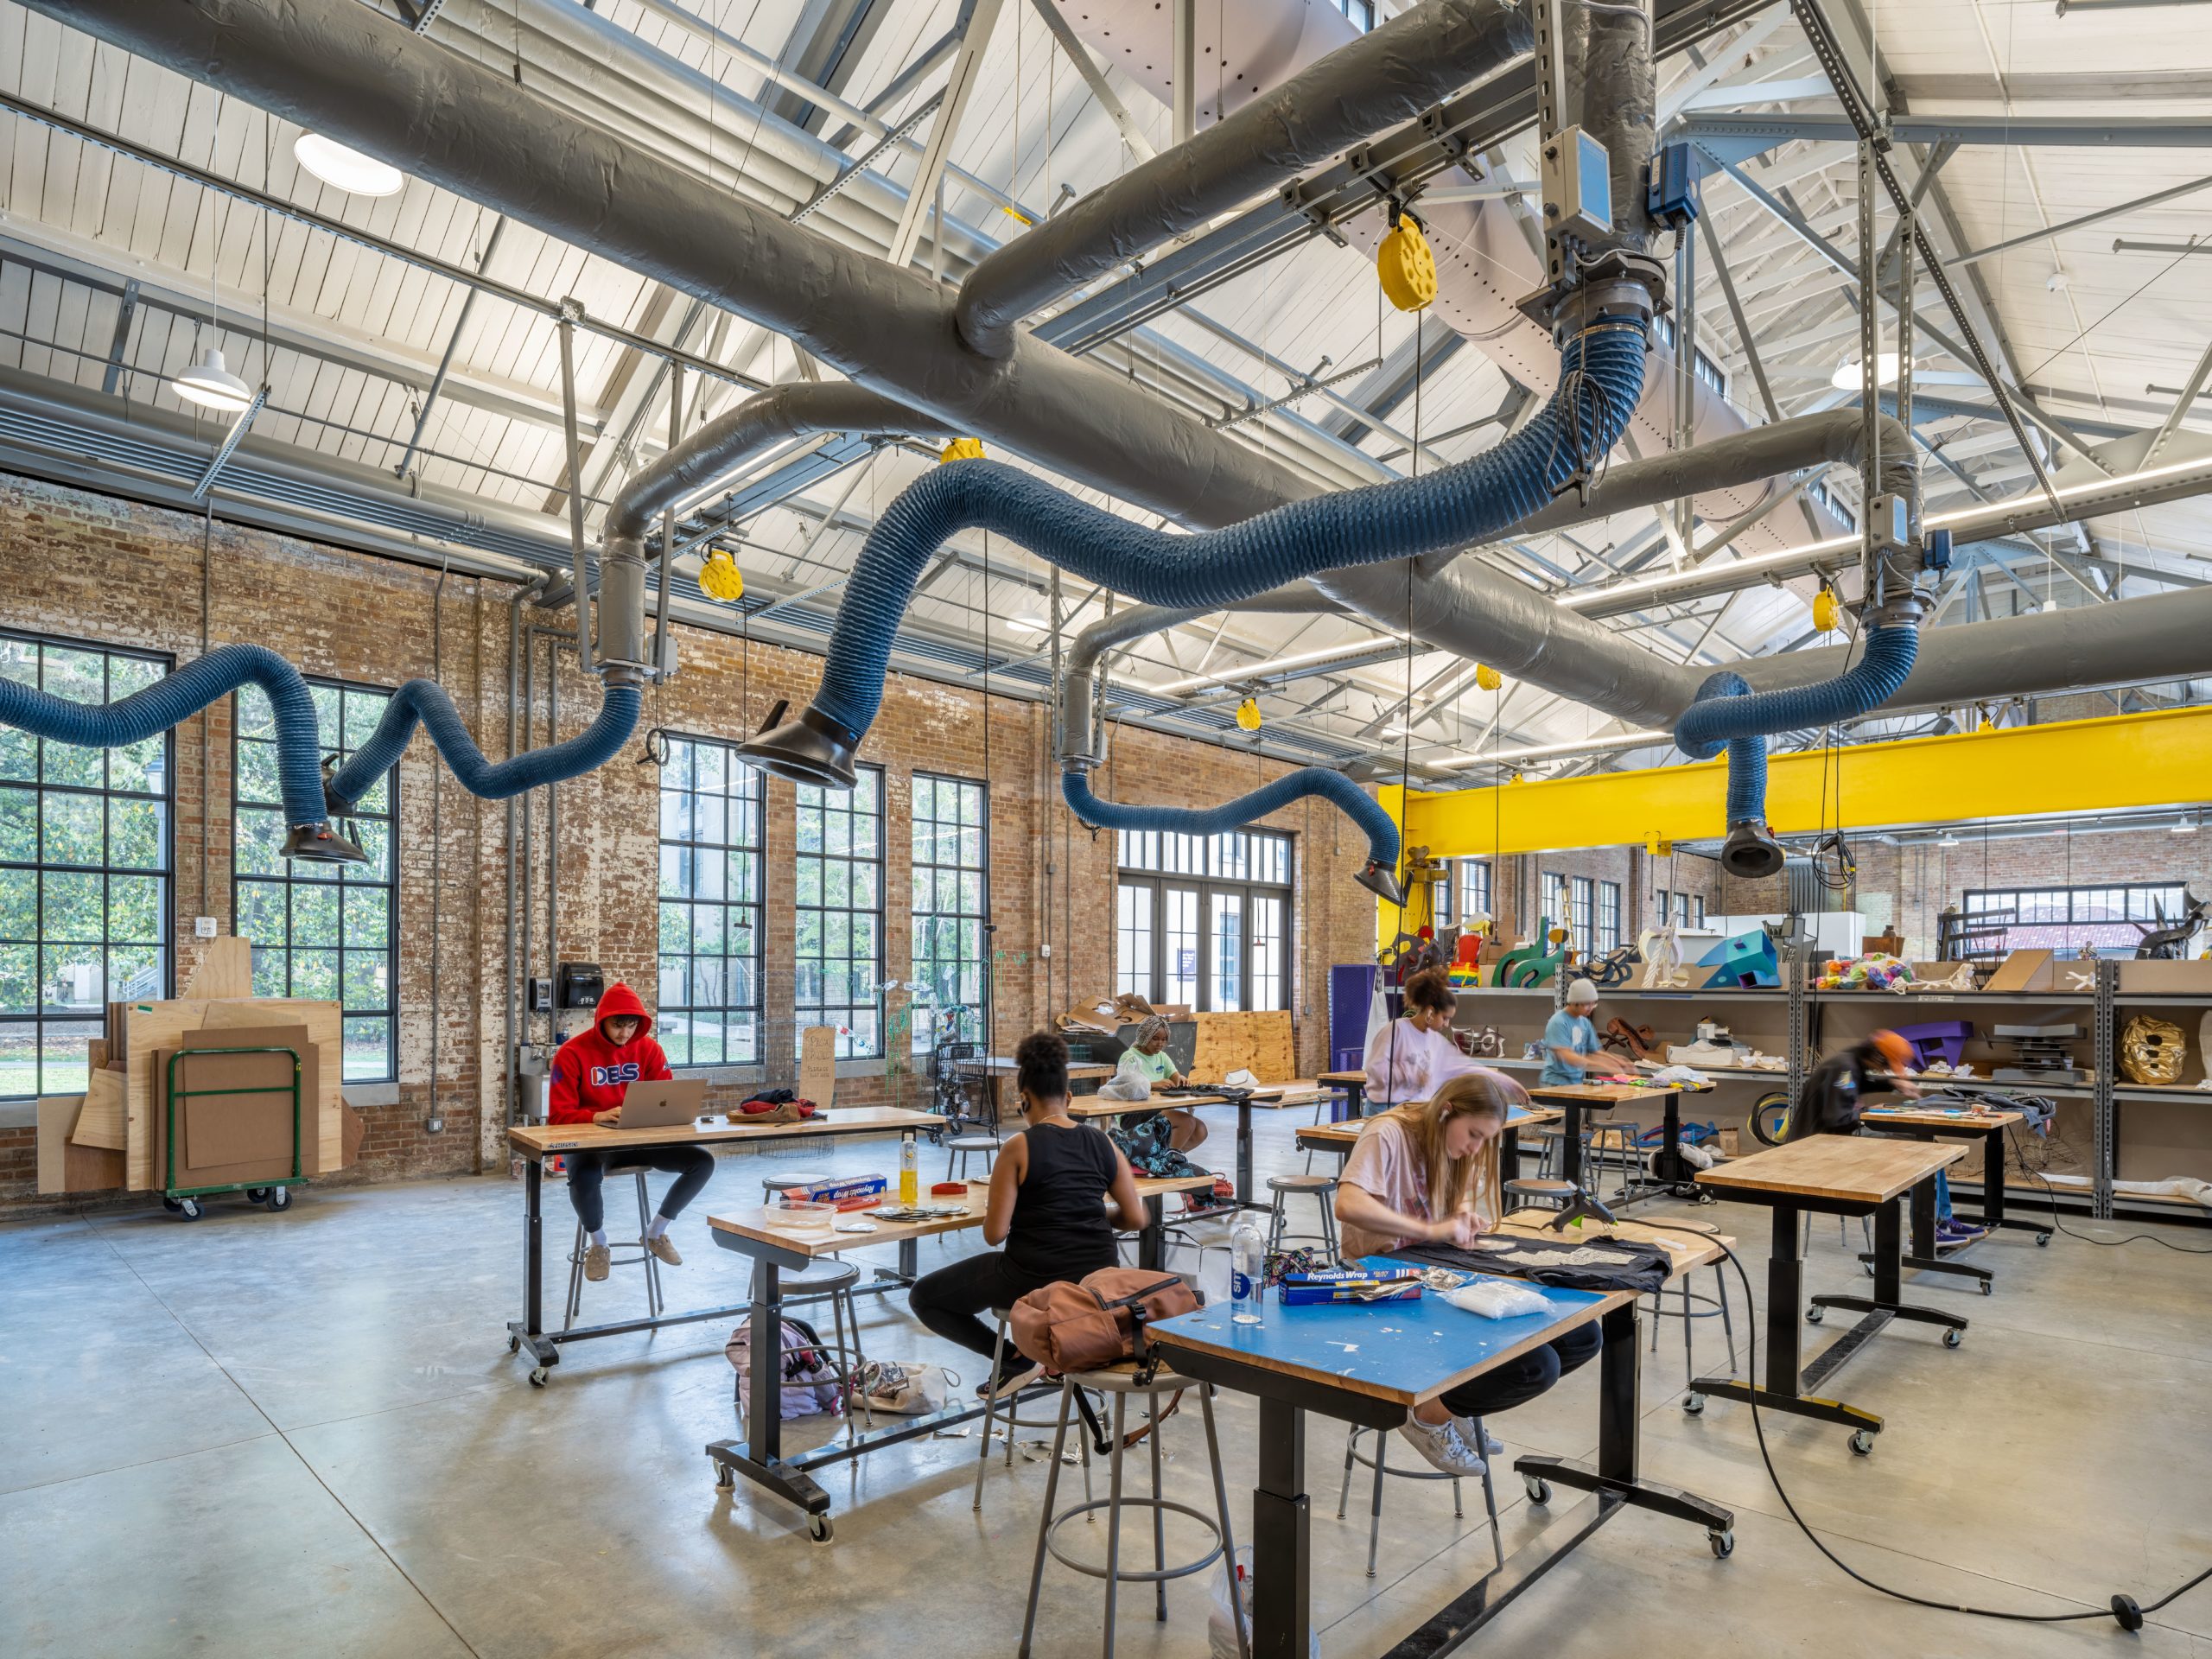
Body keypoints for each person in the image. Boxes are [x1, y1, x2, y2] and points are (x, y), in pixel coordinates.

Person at [1332, 1071, 1592, 1476]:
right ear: (1446, 1112)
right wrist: (1430, 1230)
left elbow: (1452, 1205)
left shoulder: (1457, 1148)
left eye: (1483, 1139)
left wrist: (1460, 1218)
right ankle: (1428, 1415)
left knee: (1582, 1335)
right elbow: (1347, 1204)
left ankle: (1454, 1403)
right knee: (1533, 1368)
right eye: (1472, 1134)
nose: (1475, 1147)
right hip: (1378, 1280)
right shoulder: (1387, 1133)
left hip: (1431, 1268)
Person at [909, 1029, 1150, 1399]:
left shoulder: (1018, 1146)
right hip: (1099, 1278)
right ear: (1068, 1097)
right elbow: (1136, 1218)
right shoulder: (1103, 1142)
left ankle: (1016, 1359)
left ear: (1023, 1100)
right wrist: (1096, 1217)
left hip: (1034, 1276)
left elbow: (995, 1234)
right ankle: (1049, 1354)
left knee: (924, 1297)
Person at [547, 982, 715, 1281]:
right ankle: (598, 1244)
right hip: (595, 1145)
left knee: (702, 1162)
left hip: (641, 1139)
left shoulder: (649, 1049)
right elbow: (558, 1116)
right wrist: (596, 1115)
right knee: (584, 1176)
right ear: (602, 1021)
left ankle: (656, 1232)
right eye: (617, 1025)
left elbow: (666, 1099)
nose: (624, 1033)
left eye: (631, 1025)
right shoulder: (571, 1053)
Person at [1790, 1029, 1982, 1244]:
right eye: (1886, 1065)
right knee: (1923, 1151)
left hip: (1838, 1135)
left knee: (1929, 1145)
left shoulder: (1852, 1063)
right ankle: (1924, 1231)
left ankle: (1942, 1221)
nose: (1885, 1069)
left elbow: (1861, 1084)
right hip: (1823, 1143)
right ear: (1877, 1056)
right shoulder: (1844, 1067)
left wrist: (1894, 1084)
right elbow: (1837, 1118)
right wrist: (1866, 1112)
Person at [1365, 967, 1498, 1114]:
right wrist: (1413, 1074)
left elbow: (1460, 1067)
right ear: (1430, 1012)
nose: (1447, 1024)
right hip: (1384, 1109)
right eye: (1445, 1018)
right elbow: (1375, 1069)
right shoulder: (1395, 1031)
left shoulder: (1435, 1040)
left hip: (1414, 1108)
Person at [1096, 1015, 1207, 1151]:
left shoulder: (1161, 1057)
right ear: (1144, 1036)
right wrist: (1153, 1084)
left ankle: (1169, 1160)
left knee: (1200, 1130)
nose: (1160, 1043)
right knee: (1187, 1121)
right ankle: (1166, 1161)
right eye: (1155, 1038)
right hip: (1133, 1114)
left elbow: (1175, 1077)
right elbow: (1127, 1088)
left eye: (1164, 1039)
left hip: (1155, 1110)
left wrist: (1182, 1079)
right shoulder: (1130, 1057)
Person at [1539, 978, 1608, 1087]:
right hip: (1555, 1083)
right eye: (1586, 1004)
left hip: (1575, 1082)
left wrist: (1618, 1061)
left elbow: (1596, 1051)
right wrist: (1600, 1064)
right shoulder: (1558, 1022)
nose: (1590, 1008)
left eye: (1593, 1004)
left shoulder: (1585, 1023)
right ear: (1574, 1003)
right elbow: (1567, 1056)